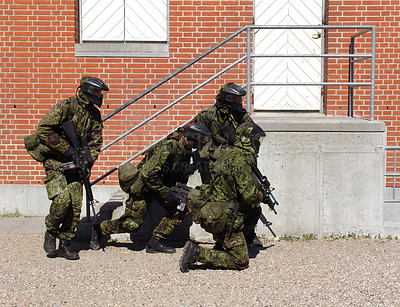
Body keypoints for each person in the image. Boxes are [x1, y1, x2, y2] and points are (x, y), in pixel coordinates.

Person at [89, 122, 211, 254]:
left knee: (180, 209)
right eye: (195, 142)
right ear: (188, 137)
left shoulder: (185, 151)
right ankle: (99, 229)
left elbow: (177, 174)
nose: (195, 146)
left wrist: (187, 173)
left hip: (162, 186)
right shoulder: (168, 147)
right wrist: (167, 194)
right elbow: (148, 175)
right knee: (132, 224)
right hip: (145, 187)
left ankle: (155, 242)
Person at [179, 122, 266, 272]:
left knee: (254, 211)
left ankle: (223, 243)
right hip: (225, 216)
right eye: (256, 139)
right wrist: (261, 195)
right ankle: (197, 253)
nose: (257, 143)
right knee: (240, 261)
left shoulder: (227, 153)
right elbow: (250, 195)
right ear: (249, 139)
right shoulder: (241, 159)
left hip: (215, 208)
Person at [38, 76, 109, 260]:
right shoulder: (67, 106)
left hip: (77, 167)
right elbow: (44, 129)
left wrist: (88, 162)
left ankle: (65, 243)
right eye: (97, 92)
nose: (100, 96)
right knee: (62, 201)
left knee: (75, 206)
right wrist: (67, 149)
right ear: (87, 91)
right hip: (56, 164)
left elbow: (96, 142)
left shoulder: (94, 115)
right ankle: (51, 232)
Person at [194, 82, 262, 247]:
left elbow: (252, 134)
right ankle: (221, 236)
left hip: (235, 164)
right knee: (218, 201)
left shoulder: (242, 116)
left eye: (240, 99)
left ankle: (248, 234)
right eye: (235, 99)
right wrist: (211, 150)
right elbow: (194, 133)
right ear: (226, 98)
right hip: (212, 166)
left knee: (246, 198)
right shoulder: (208, 115)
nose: (239, 102)